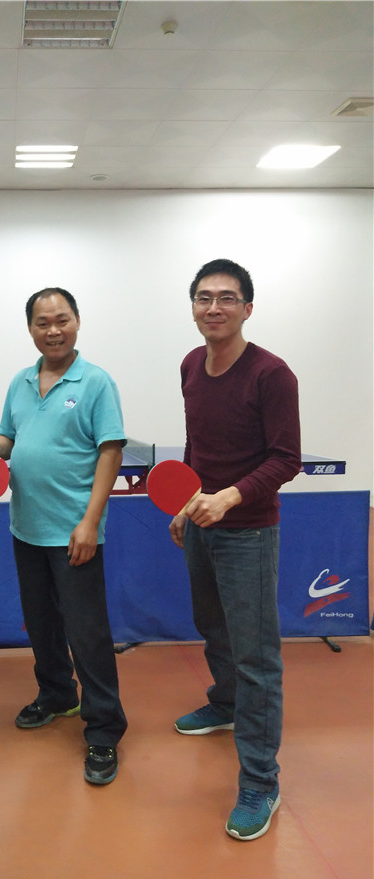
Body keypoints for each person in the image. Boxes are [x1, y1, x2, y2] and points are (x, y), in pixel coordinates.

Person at [169, 258, 301, 841]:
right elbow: (197, 443)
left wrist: (229, 498)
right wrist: (188, 500)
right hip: (202, 523)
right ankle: (225, 704)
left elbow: (286, 459)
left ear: (247, 308)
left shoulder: (272, 375)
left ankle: (261, 781)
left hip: (248, 531)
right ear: (193, 307)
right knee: (213, 628)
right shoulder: (190, 365)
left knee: (256, 658)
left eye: (226, 298)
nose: (214, 307)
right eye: (204, 297)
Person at [0, 287, 127, 784]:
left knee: (87, 633)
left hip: (73, 532)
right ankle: (58, 694)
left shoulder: (96, 382)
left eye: (62, 319)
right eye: (42, 322)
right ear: (31, 329)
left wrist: (90, 522)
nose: (53, 330)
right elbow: (9, 436)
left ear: (77, 322)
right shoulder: (20, 382)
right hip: (27, 528)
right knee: (41, 624)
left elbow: (110, 452)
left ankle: (104, 729)